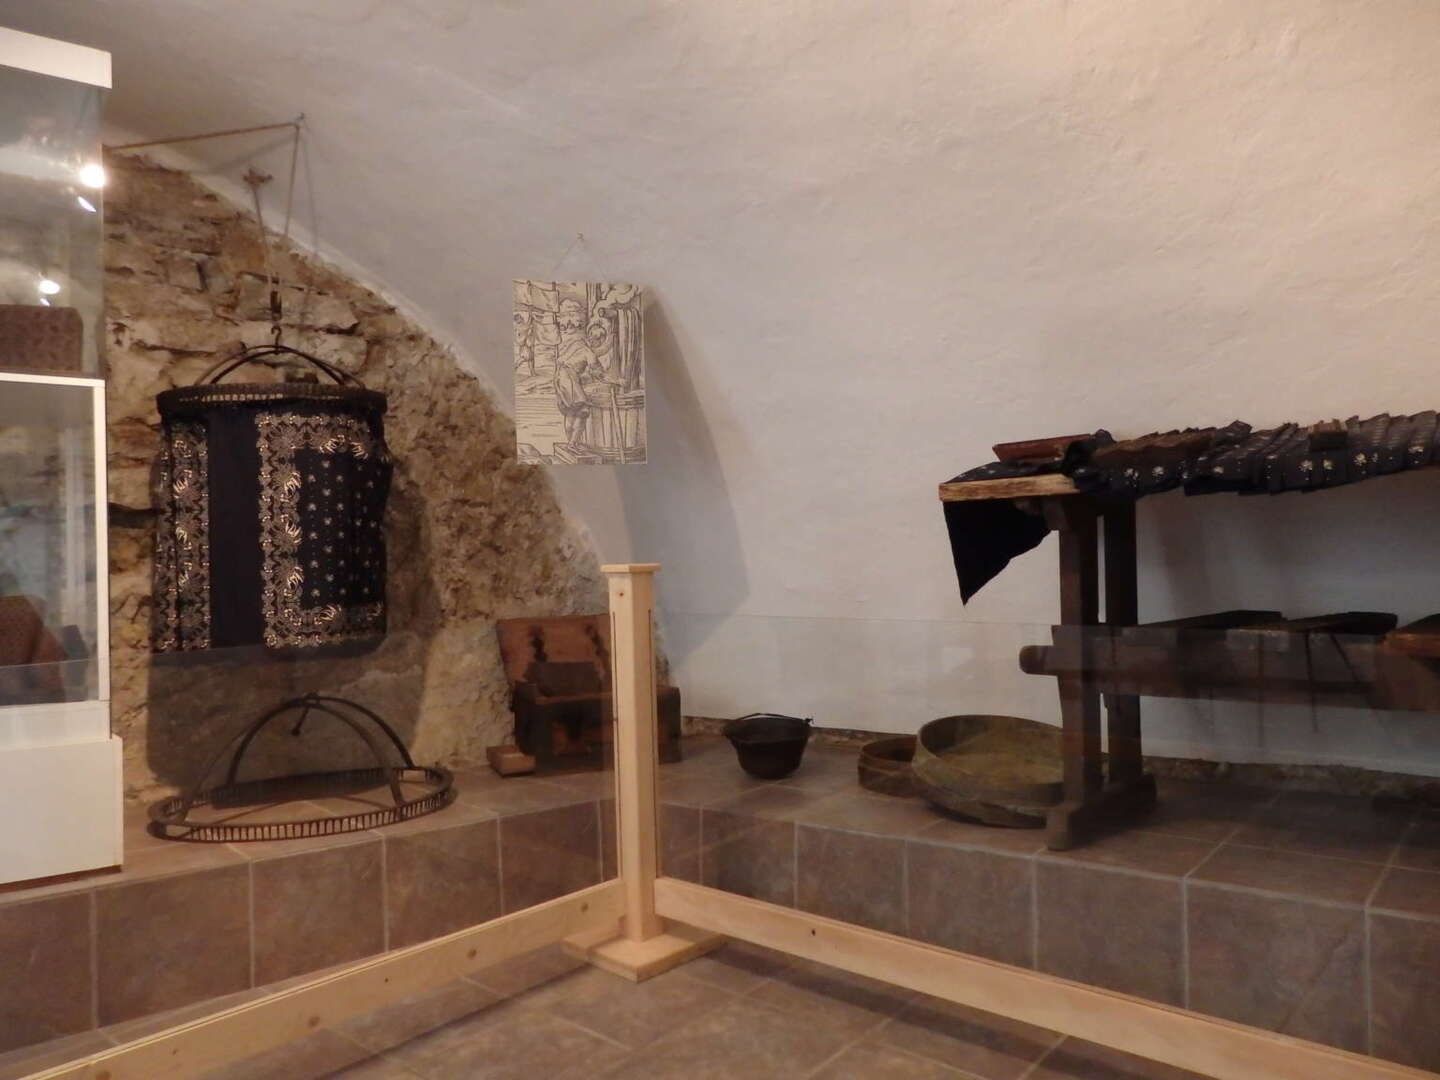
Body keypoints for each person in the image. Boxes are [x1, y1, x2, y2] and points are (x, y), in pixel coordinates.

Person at [553, 297, 599, 447]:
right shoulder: (587, 351)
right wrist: (616, 380)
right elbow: (597, 372)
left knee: (570, 412)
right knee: (582, 412)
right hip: (569, 381)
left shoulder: (568, 345)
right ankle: (573, 444)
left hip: (560, 380)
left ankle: (570, 443)